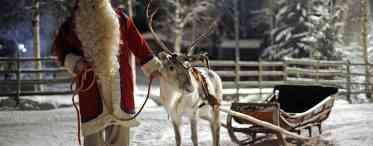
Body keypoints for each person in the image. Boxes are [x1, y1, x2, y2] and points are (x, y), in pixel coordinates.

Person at [52, 0, 161, 145]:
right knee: (93, 139)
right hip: (90, 89)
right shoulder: (71, 24)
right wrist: (76, 63)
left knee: (120, 137)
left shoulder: (120, 19)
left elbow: (138, 43)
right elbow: (61, 50)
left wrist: (151, 65)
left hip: (120, 88)